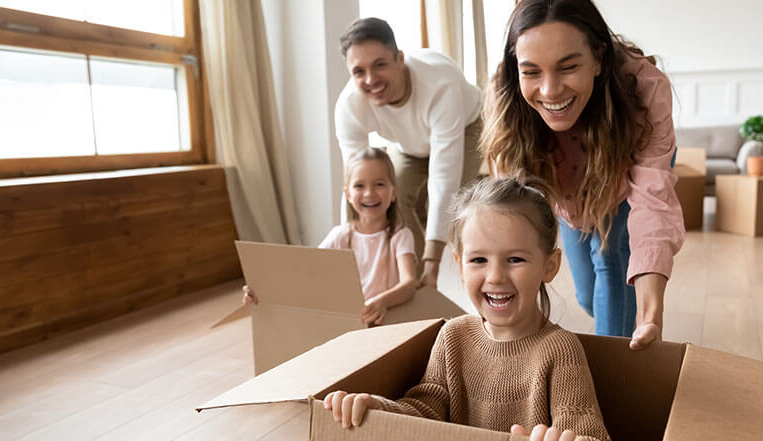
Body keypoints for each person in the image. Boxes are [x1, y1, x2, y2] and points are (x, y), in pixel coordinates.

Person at [322, 176, 612, 441]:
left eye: (515, 260)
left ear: (549, 266)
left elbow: (585, 429)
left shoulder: (560, 350)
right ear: (460, 265)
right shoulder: (453, 337)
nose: (495, 276)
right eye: (479, 260)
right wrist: (380, 409)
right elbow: (426, 410)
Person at [481, 0, 684, 349]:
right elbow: (509, 209)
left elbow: (653, 204)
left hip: (627, 183)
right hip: (568, 196)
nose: (550, 90)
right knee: (590, 296)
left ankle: (615, 371)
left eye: (568, 67)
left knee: (611, 261)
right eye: (532, 72)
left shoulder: (645, 88)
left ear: (598, 59)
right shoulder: (505, 90)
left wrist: (650, 315)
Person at [335, 17, 483, 289]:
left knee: (453, 208)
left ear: (399, 58)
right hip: (408, 143)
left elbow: (444, 178)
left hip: (466, 127)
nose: (370, 80)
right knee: (390, 195)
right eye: (359, 71)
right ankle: (410, 281)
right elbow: (354, 184)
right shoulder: (348, 107)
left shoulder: (440, 84)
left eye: (380, 64)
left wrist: (433, 263)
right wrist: (348, 253)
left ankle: (442, 277)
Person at [244, 147, 417, 326]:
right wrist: (263, 290)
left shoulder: (401, 236)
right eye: (359, 186)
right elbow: (304, 271)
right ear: (348, 194)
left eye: (379, 184)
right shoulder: (339, 236)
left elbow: (409, 283)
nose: (369, 193)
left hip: (385, 324)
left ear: (394, 192)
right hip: (346, 324)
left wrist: (382, 302)